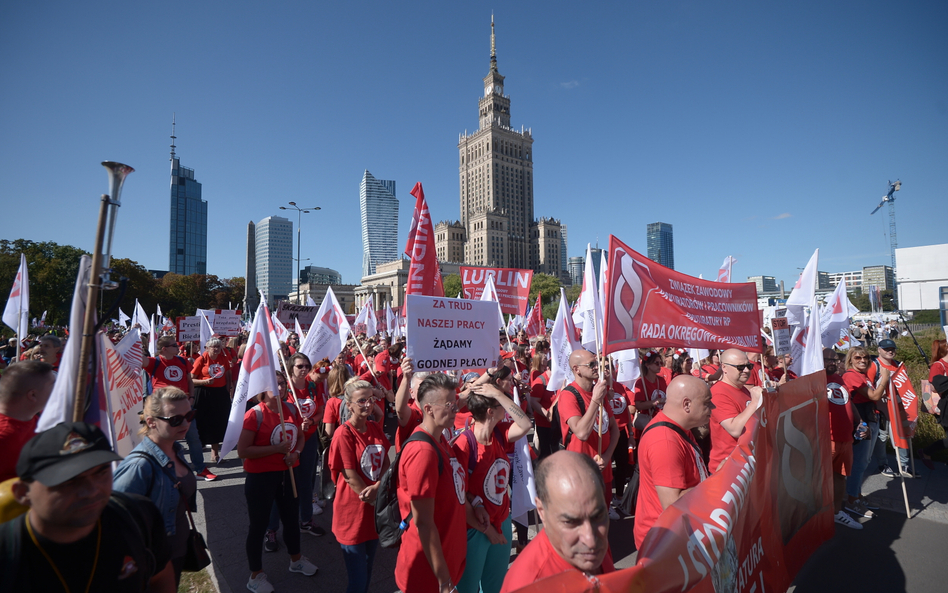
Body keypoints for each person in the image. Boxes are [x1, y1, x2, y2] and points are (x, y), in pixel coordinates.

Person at [0, 421, 176, 591]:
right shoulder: (8, 554)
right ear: (23, 492)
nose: (91, 490)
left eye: (101, 472)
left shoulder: (136, 515)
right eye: (69, 481)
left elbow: (160, 576)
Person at [237, 372, 318, 593]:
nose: (280, 388)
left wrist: (297, 453)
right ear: (263, 389)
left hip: (287, 474)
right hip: (261, 478)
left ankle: (296, 560)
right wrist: (276, 449)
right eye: (275, 385)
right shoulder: (254, 415)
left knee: (291, 520)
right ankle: (256, 575)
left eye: (282, 384)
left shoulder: (291, 409)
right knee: (258, 526)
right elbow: (243, 451)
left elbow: (300, 437)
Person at [453, 377, 532, 593]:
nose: (505, 406)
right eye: (500, 404)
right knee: (468, 588)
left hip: (502, 520)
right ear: (490, 411)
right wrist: (489, 532)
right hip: (476, 529)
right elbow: (460, 493)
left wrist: (497, 394)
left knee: (494, 587)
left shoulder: (500, 432)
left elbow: (525, 424)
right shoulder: (464, 444)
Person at [113, 387, 199, 585]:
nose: (186, 423)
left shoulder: (175, 449)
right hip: (152, 562)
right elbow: (116, 521)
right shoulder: (139, 466)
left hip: (176, 552)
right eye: (176, 419)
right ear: (151, 421)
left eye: (189, 415)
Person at [500, 451, 613, 592]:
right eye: (571, 522)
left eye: (597, 516)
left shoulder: (593, 543)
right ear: (541, 511)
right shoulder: (529, 586)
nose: (590, 541)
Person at [395, 373, 468, 593]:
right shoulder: (423, 451)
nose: (456, 409)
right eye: (449, 404)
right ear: (428, 409)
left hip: (446, 559)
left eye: (456, 403)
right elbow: (424, 523)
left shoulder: (441, 439)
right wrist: (444, 580)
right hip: (428, 575)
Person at [634, 375, 712, 549]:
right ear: (687, 405)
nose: (712, 407)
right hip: (664, 544)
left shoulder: (679, 427)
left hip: (677, 536)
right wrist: (717, 482)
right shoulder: (665, 441)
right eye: (707, 403)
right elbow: (673, 503)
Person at [328, 379, 391, 593]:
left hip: (373, 513)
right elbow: (349, 476)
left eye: (370, 400)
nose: (367, 404)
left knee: (368, 568)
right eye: (361, 400)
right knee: (357, 578)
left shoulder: (374, 427)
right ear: (349, 405)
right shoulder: (343, 433)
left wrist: (380, 486)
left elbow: (386, 463)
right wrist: (374, 496)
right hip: (353, 514)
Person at [145, 335, 216, 481]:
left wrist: (191, 398)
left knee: (193, 438)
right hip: (164, 410)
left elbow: (189, 380)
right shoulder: (154, 362)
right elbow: (136, 359)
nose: (178, 348)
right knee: (168, 440)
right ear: (164, 349)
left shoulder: (183, 360)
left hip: (185, 407)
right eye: (174, 346)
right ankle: (172, 470)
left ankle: (200, 468)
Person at [557, 349, 618, 513]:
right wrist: (595, 400)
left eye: (596, 363)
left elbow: (614, 429)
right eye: (591, 364)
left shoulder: (599, 392)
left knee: (603, 522)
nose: (596, 367)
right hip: (581, 474)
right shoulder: (569, 395)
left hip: (603, 471)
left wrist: (607, 456)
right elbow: (581, 433)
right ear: (576, 369)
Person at [842, 346, 888, 518]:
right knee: (860, 462)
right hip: (861, 422)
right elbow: (874, 396)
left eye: (865, 357)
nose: (862, 360)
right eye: (858, 358)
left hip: (871, 419)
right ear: (850, 360)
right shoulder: (851, 375)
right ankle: (852, 500)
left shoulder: (862, 375)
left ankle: (857, 495)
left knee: (865, 460)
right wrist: (885, 378)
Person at [822, 349, 865, 530]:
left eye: (835, 359)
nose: (833, 362)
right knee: (821, 479)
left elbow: (848, 401)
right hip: (827, 439)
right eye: (828, 359)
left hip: (845, 438)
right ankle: (819, 516)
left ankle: (837, 512)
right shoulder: (814, 381)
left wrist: (860, 421)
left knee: (840, 477)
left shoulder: (838, 379)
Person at [708, 349, 763, 473]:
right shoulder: (718, 393)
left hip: (747, 462)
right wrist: (754, 402)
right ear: (724, 368)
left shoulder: (743, 389)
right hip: (728, 467)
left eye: (749, 366)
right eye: (740, 367)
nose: (747, 370)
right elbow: (735, 429)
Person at [0, 361, 55, 483]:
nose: (58, 390)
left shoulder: (32, 418)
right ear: (33, 395)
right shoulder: (3, 437)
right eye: (53, 385)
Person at [867, 339, 912, 476]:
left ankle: (904, 465)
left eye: (892, 349)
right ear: (879, 350)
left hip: (898, 406)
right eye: (886, 349)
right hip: (881, 407)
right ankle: (882, 464)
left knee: (902, 433)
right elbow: (869, 386)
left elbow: (905, 384)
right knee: (882, 436)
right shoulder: (874, 366)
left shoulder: (899, 365)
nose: (890, 351)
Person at [191, 338, 232, 464]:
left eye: (218, 347)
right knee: (202, 423)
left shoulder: (223, 358)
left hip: (219, 394)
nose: (216, 349)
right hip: (204, 393)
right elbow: (191, 379)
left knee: (218, 422)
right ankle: (198, 455)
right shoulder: (201, 359)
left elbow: (228, 375)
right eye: (213, 347)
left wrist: (229, 389)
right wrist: (204, 381)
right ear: (207, 348)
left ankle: (215, 454)